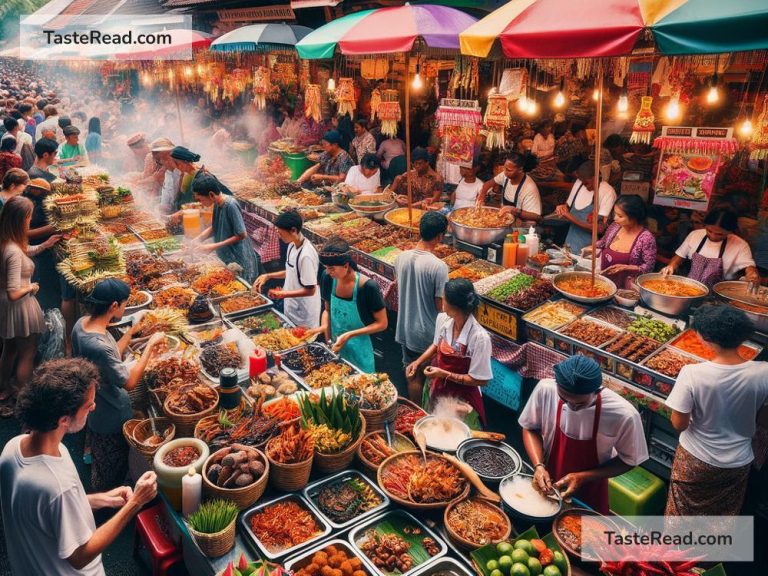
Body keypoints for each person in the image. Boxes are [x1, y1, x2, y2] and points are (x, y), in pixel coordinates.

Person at [0, 358, 158, 576]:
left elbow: (49, 511)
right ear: (64, 419)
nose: (94, 407)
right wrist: (136, 503)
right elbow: (79, 556)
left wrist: (103, 499)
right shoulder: (56, 485)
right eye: (88, 405)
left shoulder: (13, 448)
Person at [665, 305, 768, 516]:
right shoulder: (764, 372)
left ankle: (675, 549)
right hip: (738, 461)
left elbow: (679, 424)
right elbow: (763, 420)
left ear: (707, 339)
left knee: (682, 515)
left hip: (695, 459)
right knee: (721, 518)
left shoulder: (692, 373)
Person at [519, 356, 648, 513]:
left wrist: (584, 477)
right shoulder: (546, 389)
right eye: (563, 399)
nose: (572, 407)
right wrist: (539, 466)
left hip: (591, 488)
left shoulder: (623, 414)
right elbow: (530, 427)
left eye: (580, 404)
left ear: (597, 390)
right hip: (547, 479)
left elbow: (629, 460)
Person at [72, 279, 166, 490]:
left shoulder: (82, 325)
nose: (125, 308)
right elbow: (130, 382)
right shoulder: (98, 347)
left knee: (101, 456)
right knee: (114, 466)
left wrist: (131, 333)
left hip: (96, 409)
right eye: (124, 304)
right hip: (111, 413)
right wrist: (150, 345)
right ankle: (109, 503)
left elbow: (113, 351)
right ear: (114, 306)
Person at [407, 279, 492, 429]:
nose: (441, 301)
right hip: (438, 387)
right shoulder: (443, 319)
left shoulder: (479, 338)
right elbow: (436, 344)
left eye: (443, 298)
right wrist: (418, 362)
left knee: (455, 435)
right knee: (434, 427)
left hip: (462, 398)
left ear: (454, 305)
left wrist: (443, 374)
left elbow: (480, 380)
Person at [0, 196, 60, 407]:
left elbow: (25, 252)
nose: (30, 220)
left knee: (10, 349)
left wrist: (45, 244)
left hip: (7, 307)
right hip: (18, 305)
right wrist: (31, 287)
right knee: (28, 353)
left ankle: (5, 388)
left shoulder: (7, 241)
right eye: (28, 217)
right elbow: (14, 292)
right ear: (20, 219)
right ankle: (25, 397)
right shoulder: (13, 252)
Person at [395, 211, 450, 402]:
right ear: (439, 236)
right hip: (426, 333)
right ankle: (423, 417)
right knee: (425, 377)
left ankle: (414, 416)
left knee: (411, 372)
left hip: (405, 328)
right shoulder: (438, 266)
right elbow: (441, 306)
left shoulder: (400, 258)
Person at [316, 238, 387, 372]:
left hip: (362, 348)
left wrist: (350, 334)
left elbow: (382, 323)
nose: (328, 272)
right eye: (326, 268)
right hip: (336, 345)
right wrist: (327, 340)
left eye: (331, 269)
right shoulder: (328, 278)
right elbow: (327, 311)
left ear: (346, 265)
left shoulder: (368, 287)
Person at [253, 210, 321, 329]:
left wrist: (283, 293)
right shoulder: (291, 245)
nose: (279, 236)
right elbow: (291, 271)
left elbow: (311, 290)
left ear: (293, 230)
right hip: (292, 306)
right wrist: (268, 276)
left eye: (280, 233)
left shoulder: (306, 255)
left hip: (304, 313)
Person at [661, 207, 760, 287]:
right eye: (709, 231)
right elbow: (679, 256)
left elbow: (749, 267)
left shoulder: (740, 245)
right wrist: (671, 266)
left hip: (716, 297)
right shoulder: (695, 235)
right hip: (688, 288)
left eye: (719, 234)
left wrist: (752, 274)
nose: (713, 236)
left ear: (730, 231)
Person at [190, 173, 261, 283]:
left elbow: (242, 234)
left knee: (242, 290)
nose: (200, 203)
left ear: (211, 195)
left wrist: (213, 246)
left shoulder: (231, 205)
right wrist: (198, 239)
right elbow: (215, 226)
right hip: (228, 257)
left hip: (239, 258)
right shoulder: (217, 204)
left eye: (201, 200)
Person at [582, 195, 657, 289]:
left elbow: (648, 268)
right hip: (601, 285)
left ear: (634, 216)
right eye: (615, 214)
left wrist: (625, 267)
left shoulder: (646, 238)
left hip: (624, 291)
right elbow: (603, 242)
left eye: (620, 216)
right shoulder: (615, 227)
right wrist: (590, 248)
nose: (615, 218)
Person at [555, 161, 617, 253]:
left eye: (587, 183)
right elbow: (567, 206)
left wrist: (571, 218)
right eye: (582, 183)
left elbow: (600, 229)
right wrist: (562, 207)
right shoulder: (579, 184)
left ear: (595, 178)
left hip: (589, 251)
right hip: (569, 246)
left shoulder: (607, 192)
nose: (585, 186)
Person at [476, 153, 541, 221]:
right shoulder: (505, 175)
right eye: (504, 168)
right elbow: (487, 184)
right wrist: (481, 196)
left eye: (509, 170)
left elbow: (536, 216)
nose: (504, 172)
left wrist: (515, 211)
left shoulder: (529, 188)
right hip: (505, 220)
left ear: (520, 170)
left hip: (522, 225)